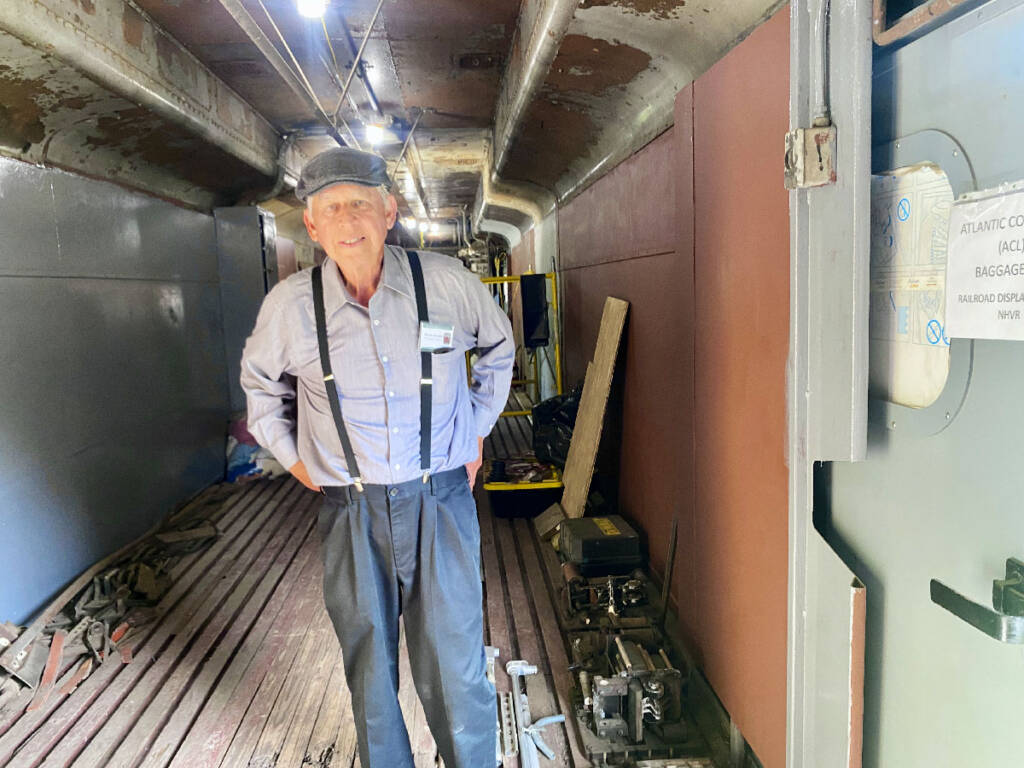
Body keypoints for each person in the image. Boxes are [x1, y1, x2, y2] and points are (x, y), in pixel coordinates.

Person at [240, 146, 514, 768]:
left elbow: (499, 347)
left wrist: (474, 429)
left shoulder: (445, 285)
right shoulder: (290, 307)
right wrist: (293, 458)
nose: (347, 219)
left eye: (360, 203)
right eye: (330, 208)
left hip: (439, 500)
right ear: (311, 226)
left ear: (389, 211)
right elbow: (259, 385)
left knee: (454, 655)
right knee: (368, 658)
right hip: (350, 507)